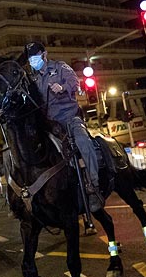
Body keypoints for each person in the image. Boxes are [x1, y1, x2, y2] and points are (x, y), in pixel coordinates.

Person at [24, 41, 103, 212]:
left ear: (44, 55)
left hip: (69, 118)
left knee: (84, 142)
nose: (32, 61)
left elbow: (75, 83)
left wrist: (63, 87)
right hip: (50, 124)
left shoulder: (60, 67)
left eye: (35, 56)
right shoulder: (33, 79)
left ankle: (93, 187)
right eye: (30, 58)